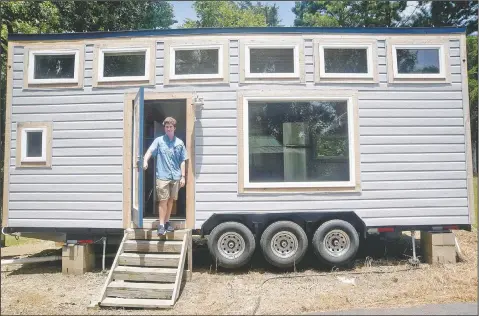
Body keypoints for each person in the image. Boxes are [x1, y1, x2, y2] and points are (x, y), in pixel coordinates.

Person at [143, 117, 188, 235]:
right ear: (164, 128)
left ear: (174, 128)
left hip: (176, 176)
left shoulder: (179, 143)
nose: (168, 129)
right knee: (163, 201)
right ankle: (161, 225)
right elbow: (149, 151)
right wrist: (145, 160)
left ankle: (167, 222)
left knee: (171, 200)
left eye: (170, 127)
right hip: (162, 176)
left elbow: (183, 160)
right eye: (166, 127)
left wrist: (183, 176)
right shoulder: (159, 140)